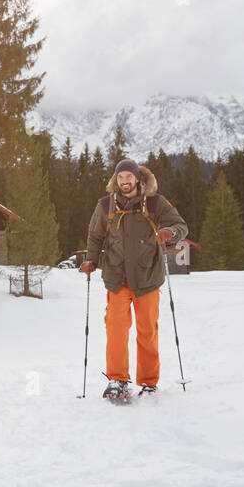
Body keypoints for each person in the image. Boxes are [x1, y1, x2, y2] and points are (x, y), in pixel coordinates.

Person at [81, 158, 188, 400]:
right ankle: (117, 380)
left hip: (147, 276)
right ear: (115, 180)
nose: (124, 181)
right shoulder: (105, 205)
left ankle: (149, 383)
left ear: (137, 179)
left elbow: (181, 225)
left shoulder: (155, 202)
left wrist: (169, 233)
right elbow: (95, 236)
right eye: (120, 177)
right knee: (115, 329)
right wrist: (91, 261)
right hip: (117, 277)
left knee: (147, 330)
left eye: (128, 177)